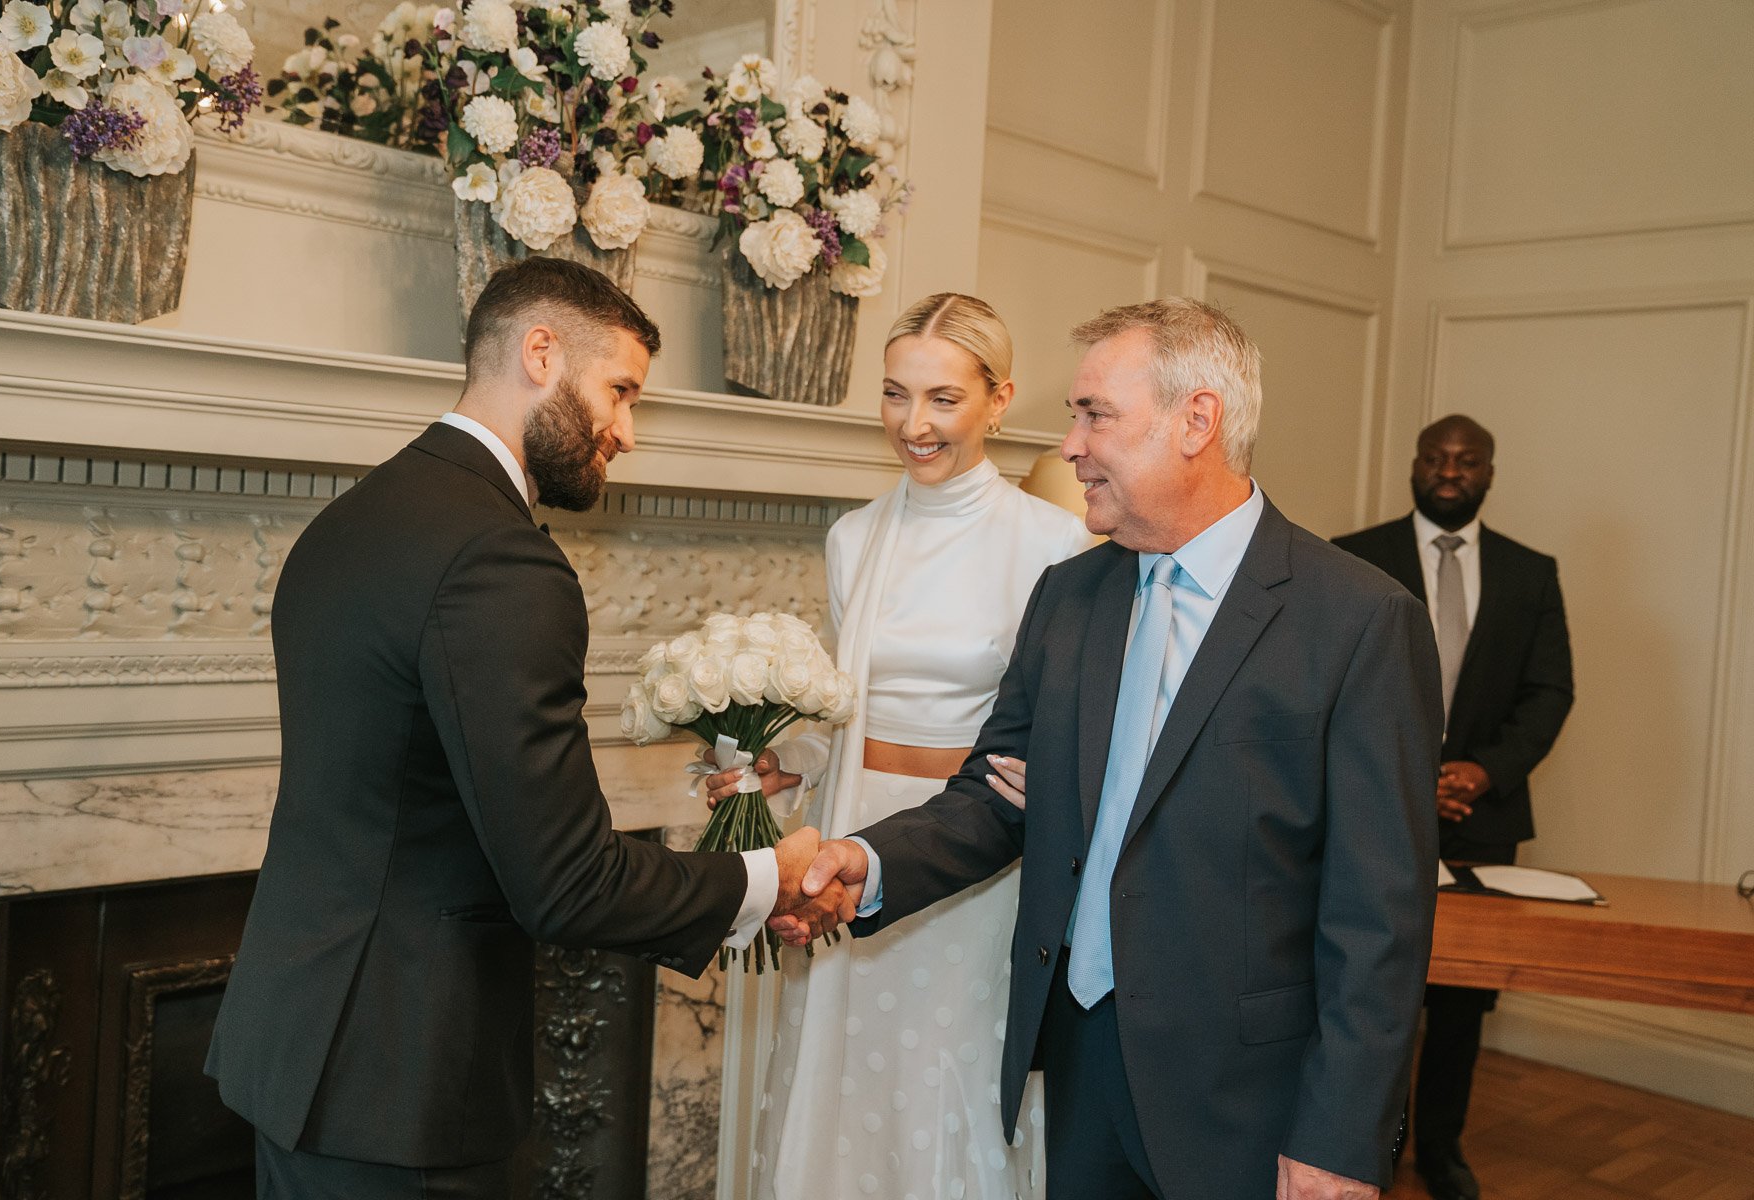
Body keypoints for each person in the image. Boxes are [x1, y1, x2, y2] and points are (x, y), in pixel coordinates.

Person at [778, 298, 1444, 1200]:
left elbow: (1380, 918)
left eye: (1095, 415)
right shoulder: (1069, 597)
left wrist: (1338, 1137)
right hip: (1082, 1066)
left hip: (1244, 1099)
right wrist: (867, 860)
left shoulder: (1358, 622)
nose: (1069, 446)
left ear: (1196, 421)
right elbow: (997, 797)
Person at [205, 258, 835, 1198]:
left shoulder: (350, 520)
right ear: (541, 353)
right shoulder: (501, 561)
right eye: (620, 391)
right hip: (404, 1086)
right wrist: (761, 876)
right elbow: (568, 883)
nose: (626, 430)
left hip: (294, 1051)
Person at [704, 293, 1091, 1200]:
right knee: (849, 1074)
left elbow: (1063, 728)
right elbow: (851, 710)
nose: (914, 425)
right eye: (894, 394)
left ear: (999, 400)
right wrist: (787, 765)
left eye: (944, 399)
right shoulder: (853, 536)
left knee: (945, 1078)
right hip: (853, 831)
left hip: (977, 865)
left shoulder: (1054, 543)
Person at [1333, 414, 1574, 1200]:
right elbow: (1329, 681)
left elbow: (1550, 692)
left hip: (1482, 818)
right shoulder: (1354, 556)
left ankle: (1440, 1149)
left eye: (1465, 460)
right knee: (1365, 984)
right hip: (1368, 807)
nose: (1448, 469)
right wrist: (1404, 770)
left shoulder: (1532, 574)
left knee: (1460, 1002)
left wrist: (1482, 771)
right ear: (1413, 464)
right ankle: (1369, 1144)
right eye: (1434, 456)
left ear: (1489, 472)